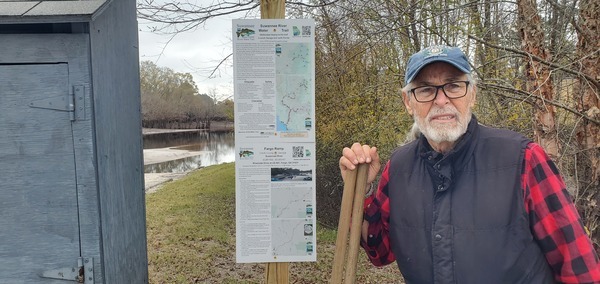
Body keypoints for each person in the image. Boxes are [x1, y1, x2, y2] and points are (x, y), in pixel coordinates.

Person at [339, 45, 600, 283]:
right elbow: (380, 252)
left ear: (472, 94)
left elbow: (578, 266)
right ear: (408, 102)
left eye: (453, 86)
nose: (441, 101)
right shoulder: (398, 168)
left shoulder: (523, 159)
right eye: (426, 89)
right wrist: (360, 189)